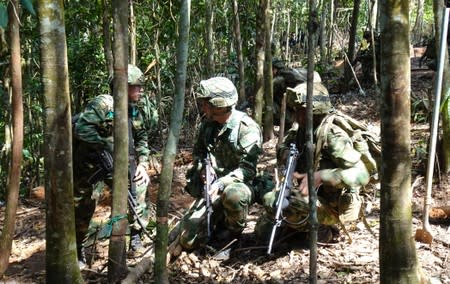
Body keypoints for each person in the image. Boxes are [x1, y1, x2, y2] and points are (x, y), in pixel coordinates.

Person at [255, 87, 372, 246]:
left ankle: (324, 230)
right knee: (263, 232)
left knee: (278, 202)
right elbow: (282, 148)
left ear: (315, 111)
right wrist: (287, 154)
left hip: (333, 207)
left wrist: (323, 176)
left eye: (301, 110)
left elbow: (362, 174)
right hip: (309, 197)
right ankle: (300, 226)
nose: (296, 115)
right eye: (295, 109)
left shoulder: (332, 136)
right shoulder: (300, 130)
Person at [73, 64, 151, 266]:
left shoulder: (133, 111)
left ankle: (135, 237)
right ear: (122, 87)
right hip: (89, 165)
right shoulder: (103, 104)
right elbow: (81, 129)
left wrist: (142, 163)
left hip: (114, 164)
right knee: (82, 207)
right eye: (136, 86)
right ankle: (78, 248)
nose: (140, 90)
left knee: (137, 189)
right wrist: (106, 145)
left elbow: (142, 136)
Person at [175, 77, 263, 253]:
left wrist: (222, 183)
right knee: (188, 239)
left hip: (242, 185)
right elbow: (198, 154)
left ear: (218, 104)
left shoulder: (246, 128)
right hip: (212, 188)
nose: (202, 107)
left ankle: (232, 237)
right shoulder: (207, 126)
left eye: (206, 103)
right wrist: (202, 170)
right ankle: (218, 221)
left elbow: (248, 170)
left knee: (233, 195)